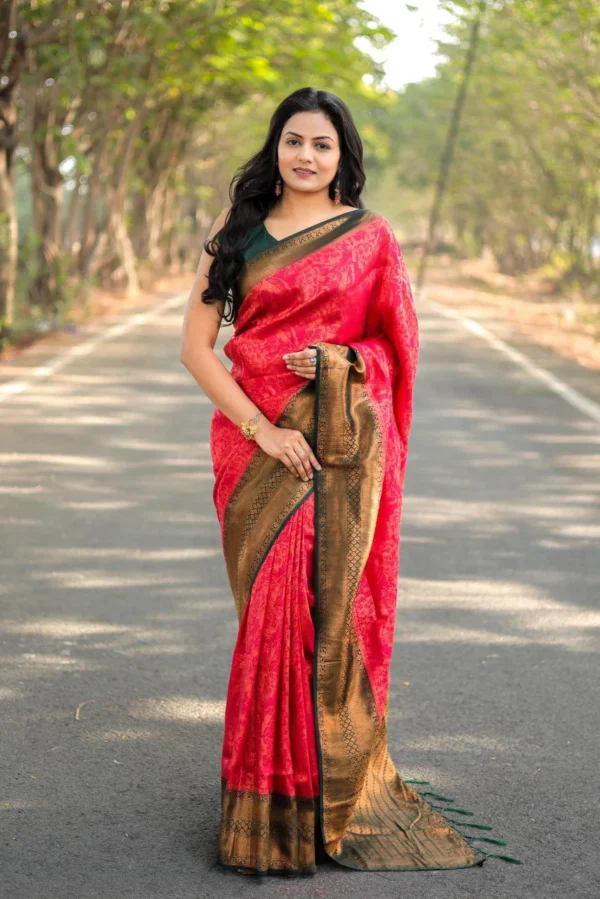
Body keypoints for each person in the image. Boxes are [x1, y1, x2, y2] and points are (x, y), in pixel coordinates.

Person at [180, 87, 509, 877]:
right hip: (256, 450)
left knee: (319, 621)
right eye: (293, 141)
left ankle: (315, 795)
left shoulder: (370, 239)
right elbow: (197, 350)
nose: (304, 156)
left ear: (342, 158)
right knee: (268, 616)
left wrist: (345, 362)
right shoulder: (238, 234)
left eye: (321, 145)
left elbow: (396, 346)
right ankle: (265, 802)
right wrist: (265, 430)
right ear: (276, 146)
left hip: (336, 449)